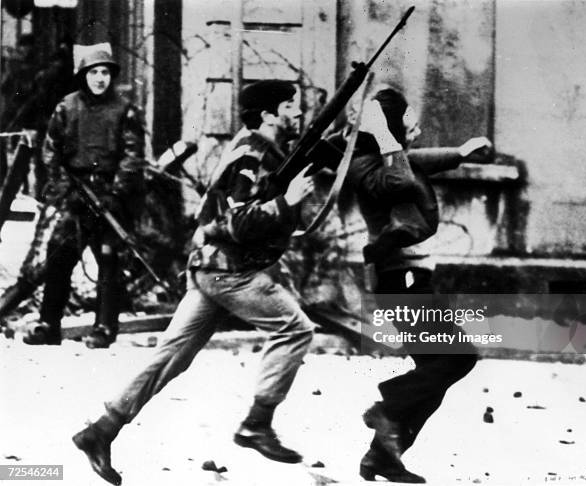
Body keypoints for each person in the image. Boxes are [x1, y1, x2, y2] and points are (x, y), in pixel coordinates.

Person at [72, 79, 317, 485]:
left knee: (172, 355)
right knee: (296, 329)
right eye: (291, 106)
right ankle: (257, 424)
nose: (298, 112)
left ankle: (100, 430)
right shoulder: (250, 154)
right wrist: (285, 202)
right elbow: (238, 222)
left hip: (210, 268)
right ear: (269, 114)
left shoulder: (258, 148)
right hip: (228, 271)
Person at [334, 87, 491, 483]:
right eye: (407, 117)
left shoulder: (387, 159)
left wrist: (462, 151)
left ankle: (383, 456)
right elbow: (400, 176)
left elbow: (419, 162)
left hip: (408, 278)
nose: (415, 122)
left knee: (435, 373)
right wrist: (388, 137)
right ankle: (388, 406)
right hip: (399, 280)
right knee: (457, 358)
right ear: (390, 126)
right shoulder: (370, 167)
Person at [22, 44, 145, 348]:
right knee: (59, 255)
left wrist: (116, 193)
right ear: (84, 75)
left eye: (105, 72)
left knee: (108, 259)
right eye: (94, 72)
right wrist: (64, 187)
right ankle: (48, 324)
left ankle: (104, 328)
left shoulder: (124, 109)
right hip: (75, 194)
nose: (100, 78)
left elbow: (133, 155)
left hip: (108, 196)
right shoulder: (67, 107)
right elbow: (51, 150)